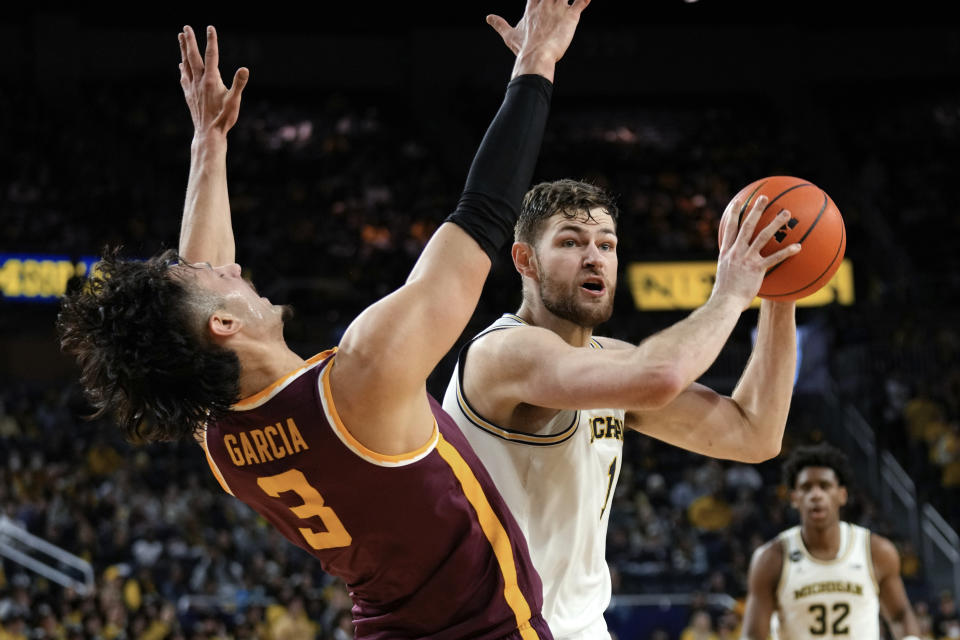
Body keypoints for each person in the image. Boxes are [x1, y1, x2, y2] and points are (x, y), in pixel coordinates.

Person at [56, 1, 592, 637]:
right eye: (216, 276)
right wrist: (536, 64)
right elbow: (482, 216)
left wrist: (210, 143)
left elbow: (196, 302)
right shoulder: (363, 377)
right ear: (224, 326)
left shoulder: (220, 439)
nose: (231, 268)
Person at [442, 178, 802, 638]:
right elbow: (661, 376)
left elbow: (755, 434)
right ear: (525, 260)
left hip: (583, 628)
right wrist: (731, 292)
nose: (594, 257)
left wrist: (781, 291)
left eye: (606, 245)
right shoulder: (503, 354)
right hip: (497, 630)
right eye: (571, 242)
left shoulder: (607, 360)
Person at [740, 442, 922, 640]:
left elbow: (899, 615)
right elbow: (753, 635)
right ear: (794, 498)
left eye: (825, 486)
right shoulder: (770, 558)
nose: (816, 495)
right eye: (806, 488)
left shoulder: (876, 551)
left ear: (841, 495)